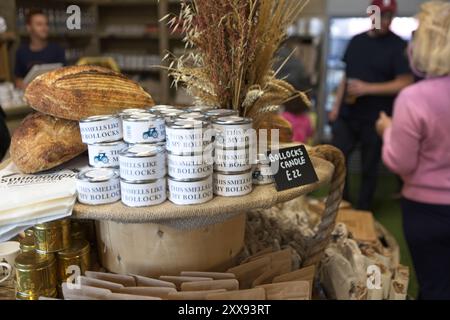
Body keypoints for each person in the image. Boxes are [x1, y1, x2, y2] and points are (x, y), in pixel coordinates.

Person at [376, 1, 450, 300]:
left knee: (433, 286)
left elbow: (401, 162)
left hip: (427, 212)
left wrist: (388, 130)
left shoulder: (414, 98)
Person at [329, 0, 414, 210]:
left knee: (370, 166)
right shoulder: (356, 41)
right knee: (339, 161)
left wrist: (368, 88)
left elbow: (405, 82)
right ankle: (342, 204)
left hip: (377, 118)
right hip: (348, 115)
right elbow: (345, 78)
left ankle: (364, 209)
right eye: (381, 16)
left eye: (389, 16)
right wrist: (336, 107)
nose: (385, 21)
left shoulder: (399, 46)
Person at [14, 9, 66, 89]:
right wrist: (22, 85)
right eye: (39, 24)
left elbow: (65, 77)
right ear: (28, 27)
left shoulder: (57, 50)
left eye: (46, 24)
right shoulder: (21, 52)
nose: (44, 28)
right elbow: (18, 79)